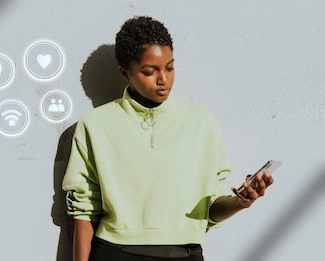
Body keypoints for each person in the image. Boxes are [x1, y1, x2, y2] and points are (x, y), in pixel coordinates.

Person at [62, 16, 274, 261]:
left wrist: (241, 202)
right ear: (125, 73)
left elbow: (211, 208)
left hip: (186, 254)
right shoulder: (95, 125)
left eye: (170, 68)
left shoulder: (201, 122)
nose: (163, 79)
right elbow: (84, 212)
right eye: (150, 72)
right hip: (114, 252)